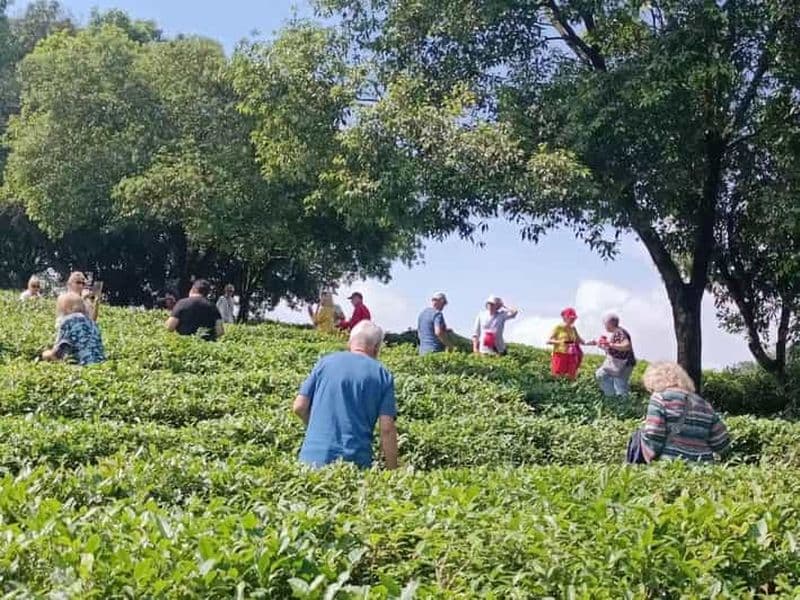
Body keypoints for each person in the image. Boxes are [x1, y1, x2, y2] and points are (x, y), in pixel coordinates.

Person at [292, 321, 398, 469]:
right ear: (376, 348)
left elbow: (299, 407)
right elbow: (386, 429)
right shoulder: (382, 374)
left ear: (350, 343)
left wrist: (321, 431)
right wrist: (393, 470)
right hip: (353, 462)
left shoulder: (324, 363)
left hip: (311, 460)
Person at [627, 362, 731, 464]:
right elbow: (721, 442)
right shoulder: (703, 404)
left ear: (653, 380)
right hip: (703, 468)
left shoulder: (659, 398)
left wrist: (644, 448)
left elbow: (654, 435)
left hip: (671, 466)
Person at [42, 293, 105, 366]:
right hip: (100, 366)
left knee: (46, 355)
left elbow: (57, 354)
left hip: (82, 368)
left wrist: (45, 354)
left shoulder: (68, 321)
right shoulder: (93, 323)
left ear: (68, 308)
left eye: (60, 308)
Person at [595, 312, 636, 396]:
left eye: (605, 324)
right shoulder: (618, 332)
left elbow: (626, 346)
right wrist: (604, 346)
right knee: (602, 375)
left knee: (620, 386)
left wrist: (610, 344)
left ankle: (618, 402)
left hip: (624, 364)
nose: (604, 326)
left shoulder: (619, 332)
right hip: (622, 364)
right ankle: (613, 398)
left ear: (610, 323)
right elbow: (616, 350)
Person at [548, 307, 594, 379]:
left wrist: (590, 343)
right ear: (565, 318)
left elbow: (580, 341)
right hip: (560, 355)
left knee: (571, 377)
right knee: (558, 376)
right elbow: (549, 341)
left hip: (571, 355)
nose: (573, 320)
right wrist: (561, 342)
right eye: (571, 318)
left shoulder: (573, 328)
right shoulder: (558, 328)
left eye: (574, 318)